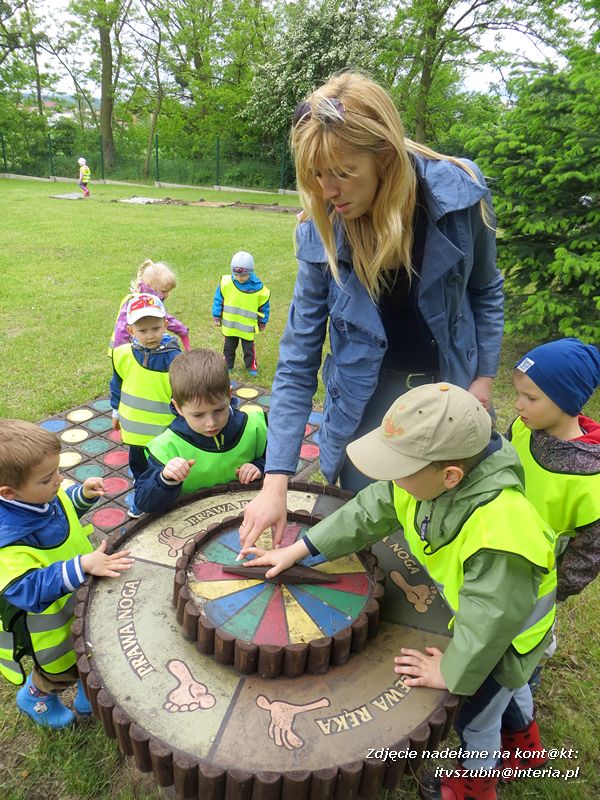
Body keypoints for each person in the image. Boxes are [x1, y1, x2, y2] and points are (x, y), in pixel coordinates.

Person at [241, 384, 556, 800]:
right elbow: (367, 511)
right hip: (489, 619)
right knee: (510, 692)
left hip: (508, 640)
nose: (388, 478)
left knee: (479, 714)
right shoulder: (427, 481)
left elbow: (491, 621)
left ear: (450, 476)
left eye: (399, 470)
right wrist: (301, 549)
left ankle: (476, 784)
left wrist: (452, 671)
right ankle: (527, 746)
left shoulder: (501, 534)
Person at [240, 71, 503, 550]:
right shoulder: (319, 231)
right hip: (365, 403)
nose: (327, 191)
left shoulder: (460, 193)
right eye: (316, 175)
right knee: (367, 534)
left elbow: (485, 289)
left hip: (449, 391)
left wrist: (483, 379)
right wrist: (275, 483)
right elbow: (298, 360)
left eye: (342, 172)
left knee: (448, 530)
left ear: (384, 157)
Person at [0, 419, 133, 728]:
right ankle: (35, 697)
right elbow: (27, 589)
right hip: (50, 628)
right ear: (9, 493)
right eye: (49, 478)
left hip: (75, 603)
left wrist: (82, 496)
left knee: (89, 651)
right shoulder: (7, 540)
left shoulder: (39, 495)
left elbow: (61, 511)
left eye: (58, 470)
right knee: (60, 671)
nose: (59, 480)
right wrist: (82, 566)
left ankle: (88, 693)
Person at [508, 338, 600, 601]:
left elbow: (589, 552)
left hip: (535, 578)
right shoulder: (522, 428)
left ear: (566, 400)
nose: (518, 405)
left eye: (530, 397)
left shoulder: (590, 477)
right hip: (495, 544)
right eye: (518, 394)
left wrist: (553, 593)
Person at [133, 349, 267, 513]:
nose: (211, 423)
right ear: (178, 407)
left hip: (248, 515)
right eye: (198, 415)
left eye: (218, 410)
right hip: (190, 523)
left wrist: (259, 467)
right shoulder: (166, 448)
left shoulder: (255, 425)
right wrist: (165, 479)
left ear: (229, 395)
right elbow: (143, 502)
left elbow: (280, 460)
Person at [110, 293, 181, 516]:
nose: (150, 335)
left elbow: (183, 391)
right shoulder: (122, 355)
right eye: (142, 330)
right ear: (130, 330)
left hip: (163, 431)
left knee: (160, 469)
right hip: (134, 432)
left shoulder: (175, 357)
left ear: (166, 325)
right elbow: (117, 384)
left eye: (156, 328)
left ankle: (145, 501)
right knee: (138, 466)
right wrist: (115, 411)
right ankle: (142, 491)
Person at [109, 259, 191, 353]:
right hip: (127, 351)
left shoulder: (144, 299)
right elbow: (121, 329)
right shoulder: (143, 303)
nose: (167, 295)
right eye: (164, 291)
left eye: (169, 291)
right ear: (150, 286)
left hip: (133, 347)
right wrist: (121, 351)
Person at [212, 250, 270, 376]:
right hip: (230, 326)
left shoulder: (258, 288)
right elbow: (218, 299)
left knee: (249, 349)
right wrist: (216, 315)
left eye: (243, 275)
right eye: (236, 275)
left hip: (247, 327)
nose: (239, 278)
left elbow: (264, 306)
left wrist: (263, 322)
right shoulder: (226, 283)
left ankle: (251, 367)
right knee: (228, 348)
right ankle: (227, 365)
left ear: (251, 272)